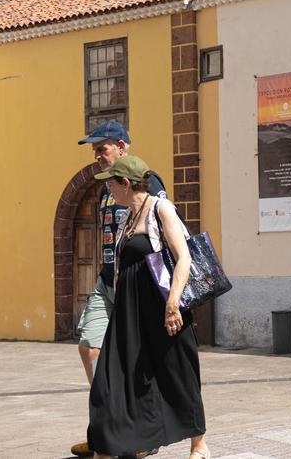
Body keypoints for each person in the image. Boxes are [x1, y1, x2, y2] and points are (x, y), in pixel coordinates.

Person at [87, 155, 208, 459]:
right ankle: (111, 446)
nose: (108, 190)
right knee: (110, 382)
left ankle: (199, 445)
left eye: (111, 184)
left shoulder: (160, 208)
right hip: (129, 313)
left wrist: (172, 305)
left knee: (178, 374)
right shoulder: (127, 217)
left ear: (126, 183)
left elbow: (183, 257)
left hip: (163, 307)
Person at [71, 121, 167, 459]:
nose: (97, 155)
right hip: (107, 281)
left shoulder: (147, 181)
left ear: (122, 147)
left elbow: (161, 231)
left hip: (136, 283)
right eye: (95, 150)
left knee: (137, 361)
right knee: (90, 347)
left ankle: (139, 435)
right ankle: (107, 427)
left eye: (103, 148)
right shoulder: (103, 189)